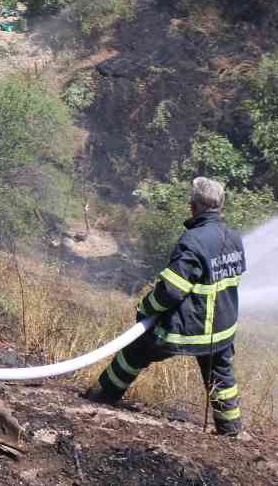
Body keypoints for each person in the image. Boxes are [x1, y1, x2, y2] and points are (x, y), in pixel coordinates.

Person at [85, 177, 247, 437]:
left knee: (134, 352)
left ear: (193, 207)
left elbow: (171, 290)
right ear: (220, 206)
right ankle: (230, 430)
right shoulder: (235, 239)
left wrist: (147, 306)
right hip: (222, 329)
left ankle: (102, 397)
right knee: (221, 379)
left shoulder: (193, 241)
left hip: (187, 327)